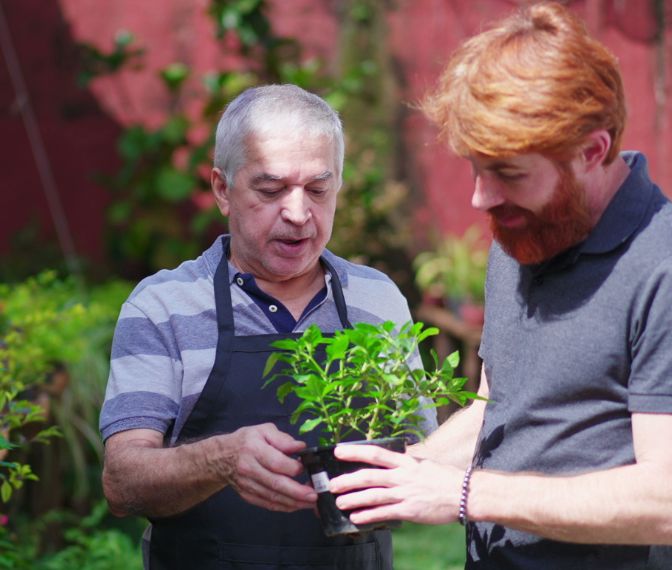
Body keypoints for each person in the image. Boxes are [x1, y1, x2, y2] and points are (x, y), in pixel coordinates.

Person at [326, 3, 672, 569]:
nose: (481, 198)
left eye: (509, 173)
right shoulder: (522, 235)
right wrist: (405, 473)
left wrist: (465, 495)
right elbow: (497, 406)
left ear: (592, 150)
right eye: (476, 168)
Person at [99, 84, 436, 570]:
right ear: (222, 189)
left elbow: (424, 452)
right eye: (271, 189)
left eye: (318, 190)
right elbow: (121, 484)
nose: (298, 214)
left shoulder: (376, 299)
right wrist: (220, 459)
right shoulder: (163, 306)